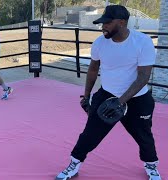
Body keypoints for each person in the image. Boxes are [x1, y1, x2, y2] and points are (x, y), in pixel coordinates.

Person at [55, 5, 161, 180]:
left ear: (122, 22)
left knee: (144, 136)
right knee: (89, 134)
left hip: (137, 99)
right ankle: (74, 164)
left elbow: (143, 77)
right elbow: (92, 69)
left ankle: (151, 166)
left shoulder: (142, 42)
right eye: (102, 23)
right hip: (107, 95)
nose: (103, 27)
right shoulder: (99, 43)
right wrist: (87, 95)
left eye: (107, 23)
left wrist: (120, 102)